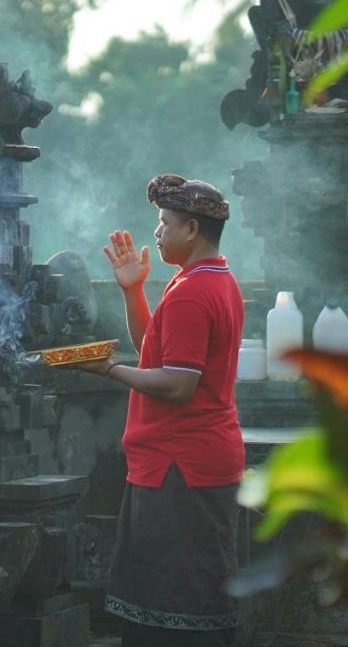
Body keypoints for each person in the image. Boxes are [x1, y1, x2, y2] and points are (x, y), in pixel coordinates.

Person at [76, 174, 245, 646]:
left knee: (177, 603)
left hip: (181, 465)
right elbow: (156, 353)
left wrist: (107, 370)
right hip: (182, 461)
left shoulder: (194, 291)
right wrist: (133, 290)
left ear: (191, 229)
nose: (157, 232)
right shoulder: (209, 278)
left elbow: (175, 385)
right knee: (180, 592)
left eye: (164, 222)